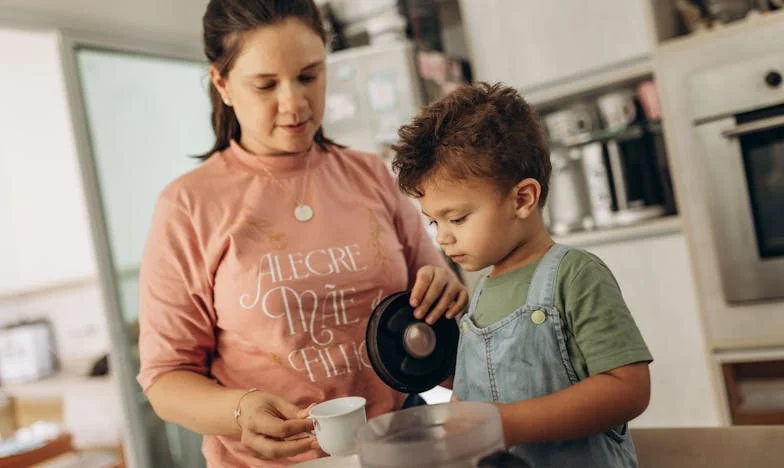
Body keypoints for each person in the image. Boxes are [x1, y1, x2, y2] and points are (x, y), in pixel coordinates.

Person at [136, 1, 468, 466]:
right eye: (266, 85)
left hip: (401, 445)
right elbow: (167, 379)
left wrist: (448, 300)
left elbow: (439, 325)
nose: (294, 103)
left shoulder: (371, 175)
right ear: (222, 84)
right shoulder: (188, 206)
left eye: (309, 76)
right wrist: (240, 409)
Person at [392, 82, 653, 467]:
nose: (443, 237)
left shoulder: (575, 276)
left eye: (458, 218)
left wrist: (506, 423)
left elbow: (629, 390)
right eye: (433, 222)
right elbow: (483, 388)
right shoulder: (480, 293)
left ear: (522, 199)